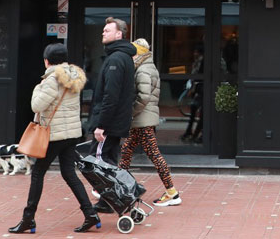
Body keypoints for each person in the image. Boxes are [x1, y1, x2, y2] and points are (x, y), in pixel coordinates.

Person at [9, 43, 100, 233]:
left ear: (47, 61)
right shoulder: (73, 76)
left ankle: (28, 219)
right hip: (70, 134)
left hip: (54, 135)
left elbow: (36, 106)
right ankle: (90, 213)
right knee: (69, 173)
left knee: (37, 174)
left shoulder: (51, 80)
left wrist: (37, 87)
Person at [119, 38, 182, 207]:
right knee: (126, 150)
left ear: (138, 53)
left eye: (132, 52)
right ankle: (118, 186)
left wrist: (131, 112)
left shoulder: (142, 70)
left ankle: (172, 193)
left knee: (153, 154)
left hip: (143, 120)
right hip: (143, 119)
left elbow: (144, 96)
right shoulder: (147, 67)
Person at [87, 17, 136, 214]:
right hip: (115, 122)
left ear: (119, 34)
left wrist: (101, 125)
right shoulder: (121, 56)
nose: (103, 33)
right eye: (103, 30)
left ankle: (114, 199)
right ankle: (110, 202)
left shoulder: (116, 59)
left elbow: (111, 95)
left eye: (107, 30)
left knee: (96, 161)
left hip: (109, 123)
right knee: (108, 161)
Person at [181, 47, 204, 143]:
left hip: (200, 89)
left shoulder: (201, 61)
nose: (194, 53)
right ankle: (193, 133)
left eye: (196, 51)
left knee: (199, 112)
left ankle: (194, 134)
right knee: (197, 111)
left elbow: (196, 75)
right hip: (198, 89)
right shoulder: (198, 61)